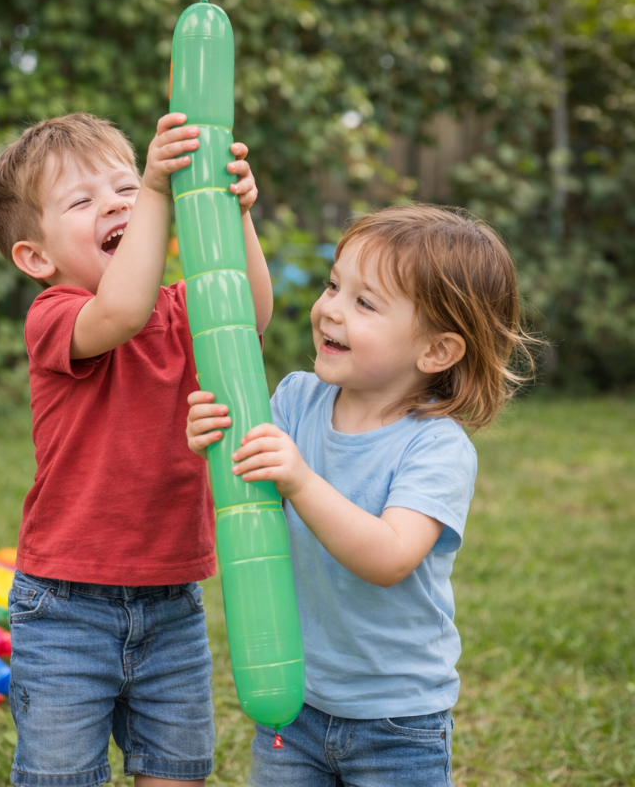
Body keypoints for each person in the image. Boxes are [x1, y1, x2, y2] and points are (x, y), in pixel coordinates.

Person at [186, 204, 538, 787]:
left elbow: (390, 557)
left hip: (397, 720)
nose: (330, 308)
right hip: (295, 701)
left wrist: (301, 480)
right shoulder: (296, 400)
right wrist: (214, 450)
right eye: (333, 285)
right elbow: (254, 509)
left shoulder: (435, 446)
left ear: (436, 351)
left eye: (364, 303)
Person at [0, 112, 272, 787]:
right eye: (83, 201)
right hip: (65, 608)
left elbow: (249, 313)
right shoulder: (55, 314)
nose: (116, 204)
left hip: (172, 602)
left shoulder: (182, 307)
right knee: (60, 775)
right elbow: (121, 311)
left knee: (177, 770)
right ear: (37, 257)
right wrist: (156, 191)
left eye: (125, 188)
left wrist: (236, 215)